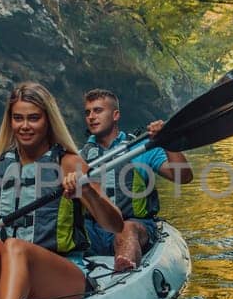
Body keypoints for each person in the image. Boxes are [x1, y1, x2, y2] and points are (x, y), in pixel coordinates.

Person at [0, 81, 124, 299]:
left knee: (15, 246)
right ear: (10, 121)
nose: (24, 126)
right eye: (18, 118)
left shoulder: (68, 163)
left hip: (62, 277)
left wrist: (85, 189)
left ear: (48, 121)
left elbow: (115, 225)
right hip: (9, 274)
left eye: (33, 118)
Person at [81, 88, 193, 272]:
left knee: (127, 228)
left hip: (134, 226)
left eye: (98, 110)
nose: (91, 116)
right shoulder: (78, 156)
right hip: (92, 230)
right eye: (88, 112)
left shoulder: (141, 149)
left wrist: (168, 140)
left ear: (115, 115)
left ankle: (123, 272)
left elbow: (184, 176)